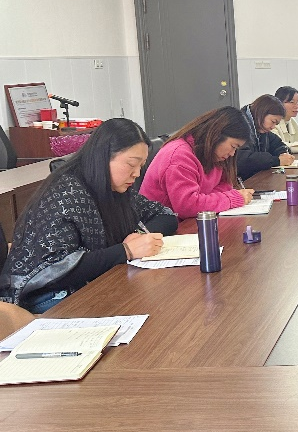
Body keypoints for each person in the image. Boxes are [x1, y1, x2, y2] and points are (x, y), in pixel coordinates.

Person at [0, 118, 178, 314]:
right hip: (44, 296)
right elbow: (58, 269)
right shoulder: (67, 193)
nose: (136, 173)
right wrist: (126, 251)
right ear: (103, 157)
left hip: (93, 281)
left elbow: (166, 216)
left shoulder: (114, 188)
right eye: (131, 164)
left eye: (141, 165)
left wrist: (138, 237)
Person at [140, 106, 255, 220]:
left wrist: (204, 200)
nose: (232, 153)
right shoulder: (179, 156)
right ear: (217, 135)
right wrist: (231, 199)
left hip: (189, 221)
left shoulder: (215, 154)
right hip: (162, 225)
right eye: (233, 146)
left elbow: (225, 185)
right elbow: (187, 207)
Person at [236, 94, 295, 179]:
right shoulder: (240, 126)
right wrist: (277, 161)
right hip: (240, 181)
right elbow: (244, 159)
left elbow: (277, 144)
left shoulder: (261, 127)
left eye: (276, 124)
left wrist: (283, 153)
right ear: (262, 113)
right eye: (273, 121)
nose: (273, 127)